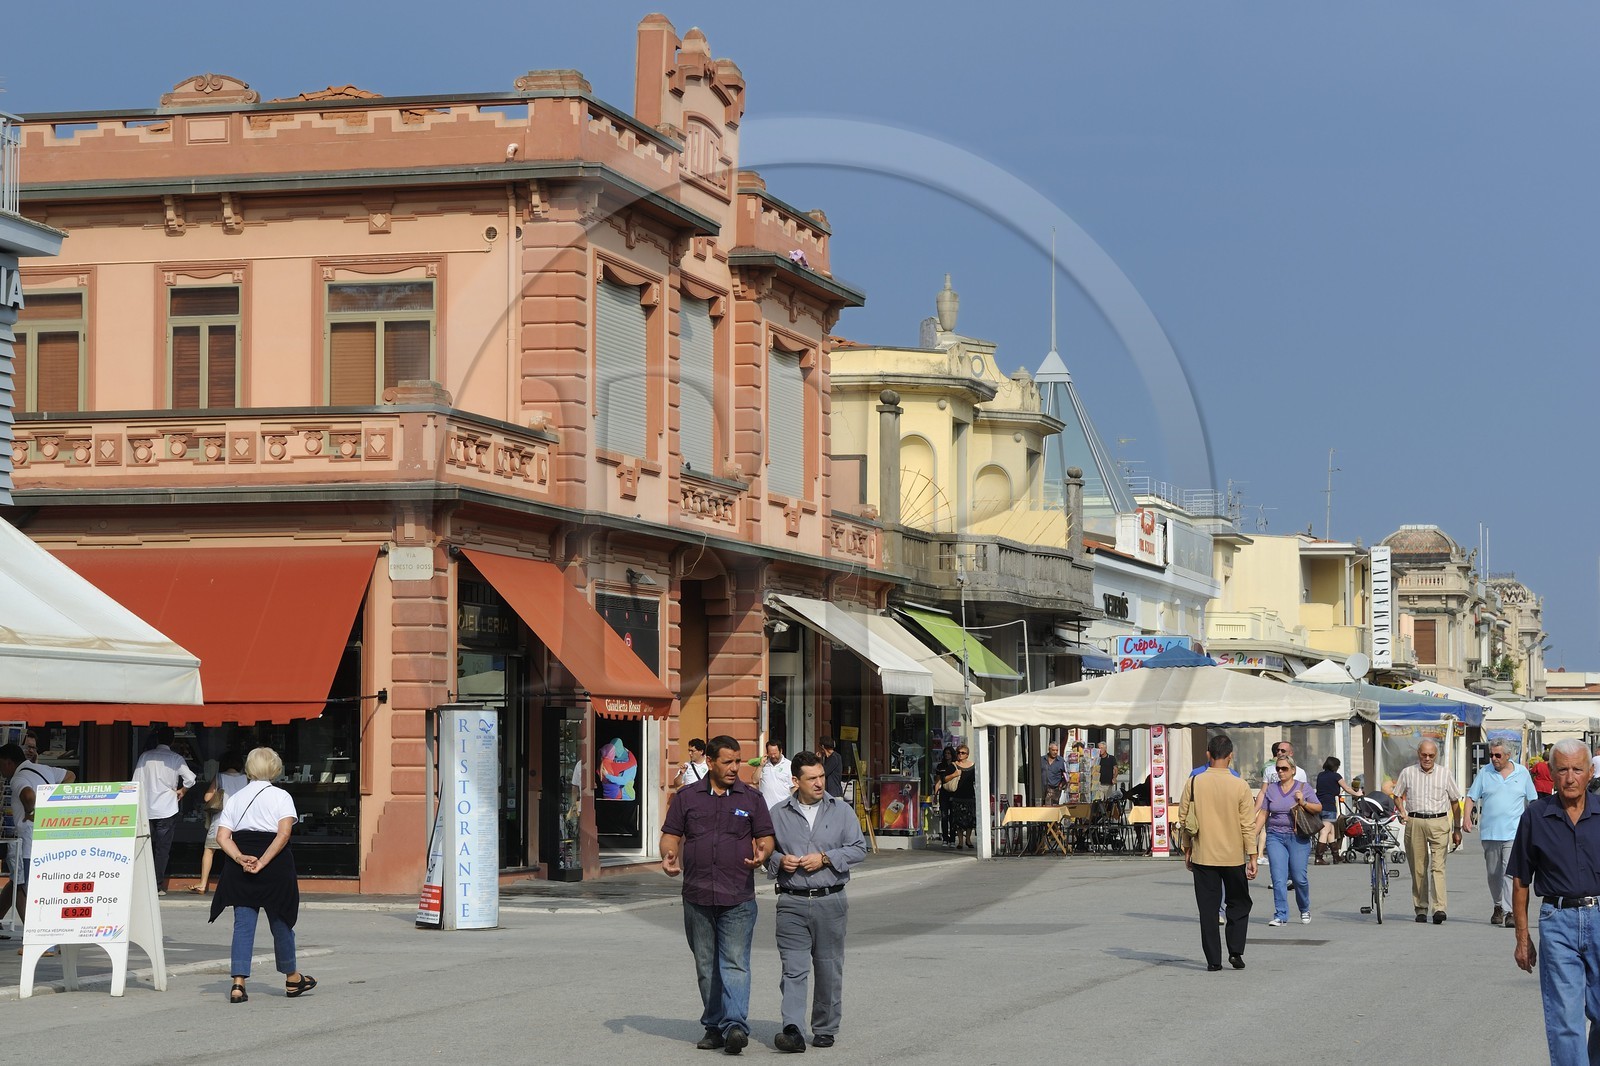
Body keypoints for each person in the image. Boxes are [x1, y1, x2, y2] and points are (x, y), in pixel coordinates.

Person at [660, 735, 776, 1055]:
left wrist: (762, 854)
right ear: (710, 762)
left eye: (738, 761)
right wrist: (669, 856)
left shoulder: (751, 798)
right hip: (697, 895)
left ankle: (735, 1025)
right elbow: (671, 835)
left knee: (735, 962)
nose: (734, 767)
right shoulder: (686, 797)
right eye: (727, 761)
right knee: (706, 965)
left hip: (738, 895)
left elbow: (766, 837)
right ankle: (713, 1026)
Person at [766, 750, 868, 1053]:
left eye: (822, 776)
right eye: (812, 778)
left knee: (828, 967)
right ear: (795, 781)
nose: (820, 783)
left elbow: (859, 848)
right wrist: (779, 860)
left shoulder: (841, 810)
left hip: (831, 900)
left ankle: (824, 1027)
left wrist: (825, 858)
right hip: (791, 901)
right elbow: (764, 851)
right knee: (793, 969)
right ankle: (793, 1029)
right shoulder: (778, 813)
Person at [1509, 738, 1600, 1065]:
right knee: (1565, 1018)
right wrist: (1522, 937)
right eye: (1562, 770)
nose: (1570, 777)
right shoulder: (1536, 817)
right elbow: (1521, 879)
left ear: (1590, 772)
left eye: (1577, 769)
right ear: (1552, 773)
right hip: (1557, 921)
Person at [207, 747, 317, 1003]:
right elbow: (284, 834)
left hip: (240, 864)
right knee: (281, 921)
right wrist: (263, 861)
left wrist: (240, 858)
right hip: (274, 864)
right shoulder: (281, 797)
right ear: (275, 769)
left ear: (249, 769)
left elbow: (222, 837)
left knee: (243, 926)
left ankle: (238, 983)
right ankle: (291, 977)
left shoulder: (235, 798)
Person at [1177, 733, 1258, 972]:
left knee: (1208, 909)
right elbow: (1248, 824)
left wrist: (1187, 848)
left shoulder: (1194, 781)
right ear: (1231, 756)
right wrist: (1252, 855)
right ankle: (1236, 951)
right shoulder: (1240, 785)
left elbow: (1184, 818)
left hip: (1204, 853)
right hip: (1233, 856)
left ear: (1208, 755)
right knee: (1239, 903)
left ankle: (1213, 959)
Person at [0, 742, 74, 944]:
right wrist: (53, 799)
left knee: (22, 888)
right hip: (47, 837)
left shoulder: (18, 778)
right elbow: (70, 776)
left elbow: (28, 795)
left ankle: (36, 936)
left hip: (28, 843)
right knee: (17, 881)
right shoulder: (42, 769)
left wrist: (31, 811)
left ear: (8, 762)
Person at [1464, 740, 1536, 927]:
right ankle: (1498, 905)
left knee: (1509, 872)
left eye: (1498, 755)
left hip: (1514, 832)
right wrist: (1466, 818)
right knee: (1493, 873)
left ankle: (1510, 911)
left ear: (1508, 755)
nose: (1494, 759)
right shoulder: (1485, 772)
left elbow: (1533, 801)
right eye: (1492, 755)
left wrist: (1533, 825)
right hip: (1490, 832)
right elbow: (1471, 797)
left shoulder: (1522, 773)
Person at [1393, 738, 1463, 924]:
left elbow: (1455, 801)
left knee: (1437, 867)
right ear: (1418, 754)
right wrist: (1402, 811)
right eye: (1424, 754)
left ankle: (1439, 908)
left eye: (1431, 755)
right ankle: (1421, 908)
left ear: (1436, 756)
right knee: (1418, 868)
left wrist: (1457, 828)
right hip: (1415, 820)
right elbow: (1397, 795)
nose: (1427, 758)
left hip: (1438, 821)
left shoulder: (1444, 773)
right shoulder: (1408, 773)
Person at [1255, 757, 1321, 925]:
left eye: (1284, 768)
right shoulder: (1271, 789)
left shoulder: (1303, 787)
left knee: (1299, 878)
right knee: (1278, 878)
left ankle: (1304, 908)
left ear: (1293, 769)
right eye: (1278, 769)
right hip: (1275, 836)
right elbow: (1263, 814)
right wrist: (1252, 836)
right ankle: (1281, 914)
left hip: (1298, 837)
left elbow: (1318, 807)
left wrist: (1303, 802)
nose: (1280, 772)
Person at [132, 725, 196, 894]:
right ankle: (157, 885)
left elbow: (135, 781)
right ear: (172, 741)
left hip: (146, 807)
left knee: (142, 845)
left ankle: (140, 883)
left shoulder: (145, 756)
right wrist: (182, 790)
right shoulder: (175, 758)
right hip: (167, 808)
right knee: (162, 849)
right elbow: (190, 779)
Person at [193, 751, 249, 894]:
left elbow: (207, 798)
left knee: (209, 851)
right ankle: (240, 884)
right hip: (241, 821)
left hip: (221, 820)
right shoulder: (246, 779)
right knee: (238, 852)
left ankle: (203, 883)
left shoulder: (219, 777)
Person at [1314, 757, 1361, 865]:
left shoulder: (1320, 775)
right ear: (1335, 766)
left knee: (1331, 831)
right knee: (1325, 831)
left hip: (1318, 805)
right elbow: (1347, 788)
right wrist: (1358, 794)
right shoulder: (1336, 776)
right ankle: (1318, 857)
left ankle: (1336, 856)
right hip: (1329, 806)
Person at [949, 744, 978, 850]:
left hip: (970, 795)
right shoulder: (953, 765)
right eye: (958, 752)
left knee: (970, 820)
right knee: (958, 821)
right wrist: (954, 775)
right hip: (957, 795)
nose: (960, 755)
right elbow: (944, 779)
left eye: (963, 753)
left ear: (967, 755)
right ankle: (960, 841)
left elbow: (977, 780)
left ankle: (968, 839)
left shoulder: (973, 766)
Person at [932, 746, 958, 847]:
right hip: (944, 792)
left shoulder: (955, 765)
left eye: (949, 753)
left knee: (953, 817)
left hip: (954, 792)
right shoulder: (940, 766)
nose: (947, 755)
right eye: (945, 753)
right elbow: (938, 781)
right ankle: (945, 838)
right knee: (944, 816)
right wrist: (935, 794)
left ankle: (952, 839)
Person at [757, 741, 794, 810]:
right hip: (765, 809)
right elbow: (754, 780)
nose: (773, 756)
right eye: (770, 754)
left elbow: (794, 788)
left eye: (775, 753)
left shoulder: (789, 765)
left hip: (783, 809)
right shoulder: (763, 764)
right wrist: (760, 766)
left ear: (781, 751)